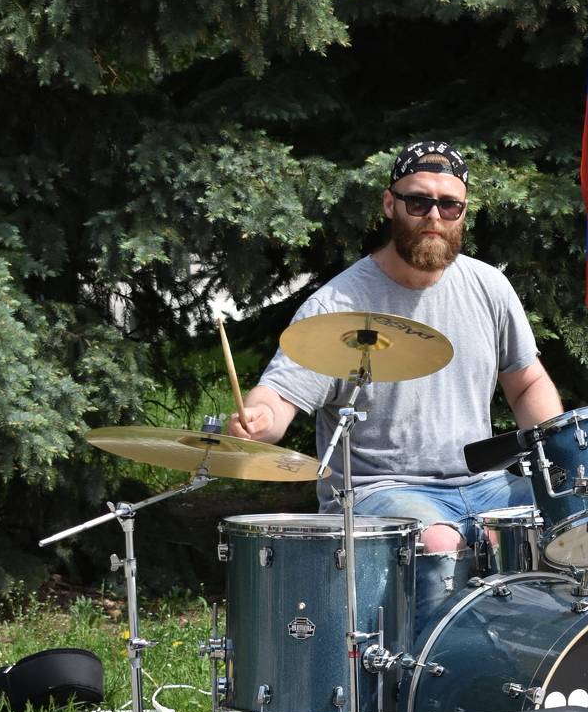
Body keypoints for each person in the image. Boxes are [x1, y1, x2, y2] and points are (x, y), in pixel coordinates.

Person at [228, 139, 562, 629]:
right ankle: (437, 673)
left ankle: (542, 661)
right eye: (418, 202)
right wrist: (259, 419)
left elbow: (526, 382)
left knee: (566, 516)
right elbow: (279, 395)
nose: (434, 216)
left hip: (484, 482)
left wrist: (557, 451)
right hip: (380, 489)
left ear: (464, 211)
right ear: (390, 204)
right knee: (440, 542)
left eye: (449, 205)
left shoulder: (489, 287)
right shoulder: (338, 304)